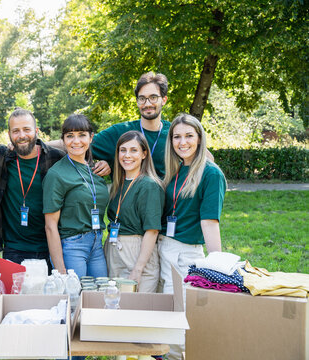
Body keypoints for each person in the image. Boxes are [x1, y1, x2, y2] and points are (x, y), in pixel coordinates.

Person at [159, 113, 226, 360]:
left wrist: (217, 263)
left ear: (200, 138)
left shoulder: (211, 174)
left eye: (189, 135)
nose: (182, 141)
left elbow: (209, 222)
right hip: (163, 247)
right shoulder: (177, 169)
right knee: (163, 311)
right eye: (177, 136)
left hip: (185, 253)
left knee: (177, 313)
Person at [0, 108, 64, 269]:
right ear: (9, 134)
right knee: (15, 294)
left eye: (27, 129)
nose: (22, 135)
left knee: (51, 294)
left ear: (36, 131)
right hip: (14, 248)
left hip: (50, 246)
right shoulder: (2, 158)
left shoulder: (55, 158)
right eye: (16, 131)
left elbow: (79, 149)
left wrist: (104, 165)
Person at [43, 114, 110, 278]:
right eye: (70, 136)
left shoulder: (95, 170)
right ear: (63, 140)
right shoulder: (56, 174)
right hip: (73, 246)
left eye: (82, 135)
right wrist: (60, 270)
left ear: (91, 137)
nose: (76, 141)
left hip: (97, 243)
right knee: (74, 299)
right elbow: (50, 226)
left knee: (99, 296)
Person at [104, 131, 164, 293]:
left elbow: (152, 231)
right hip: (114, 249)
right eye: (123, 150)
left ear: (144, 154)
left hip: (137, 252)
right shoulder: (118, 183)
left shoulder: (149, 185)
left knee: (137, 310)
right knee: (116, 309)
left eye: (133, 150)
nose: (127, 155)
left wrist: (138, 269)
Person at [91, 71, 171, 178]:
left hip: (162, 194)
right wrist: (106, 163)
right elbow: (77, 146)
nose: (147, 104)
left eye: (153, 97)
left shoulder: (175, 133)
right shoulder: (120, 132)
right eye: (142, 98)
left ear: (164, 100)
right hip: (126, 194)